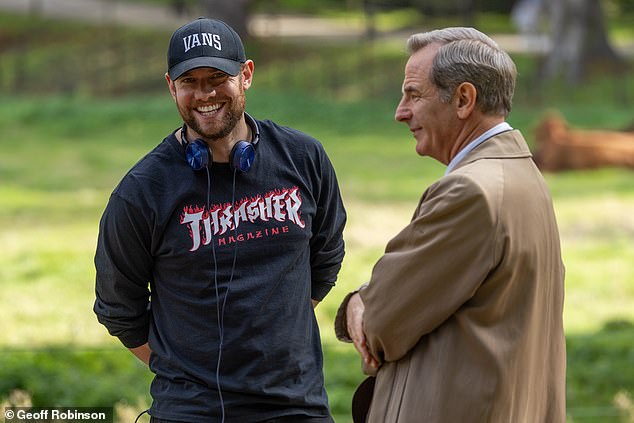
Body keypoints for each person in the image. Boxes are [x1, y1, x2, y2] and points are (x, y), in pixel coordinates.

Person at [94, 17, 346, 423]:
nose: (204, 93)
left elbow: (327, 255)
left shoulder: (304, 158)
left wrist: (279, 330)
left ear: (246, 75)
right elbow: (118, 308)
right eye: (189, 81)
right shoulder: (142, 191)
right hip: (193, 412)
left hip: (297, 407)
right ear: (170, 86)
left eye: (217, 77)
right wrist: (187, 372)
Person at [335, 27, 566, 423]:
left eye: (413, 94)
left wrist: (358, 303)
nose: (400, 111)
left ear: (463, 99)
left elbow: (381, 322)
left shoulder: (469, 191)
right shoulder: (523, 175)